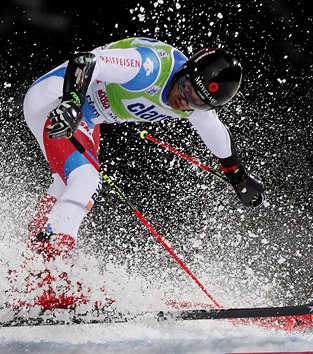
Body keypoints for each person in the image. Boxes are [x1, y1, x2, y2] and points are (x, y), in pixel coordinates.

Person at [19, 37, 264, 310]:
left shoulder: (193, 101)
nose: (183, 101)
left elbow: (213, 131)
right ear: (185, 70)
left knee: (65, 186)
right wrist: (71, 102)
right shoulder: (149, 67)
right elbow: (85, 60)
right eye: (186, 88)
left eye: (197, 103)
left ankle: (29, 274)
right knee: (86, 180)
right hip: (54, 99)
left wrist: (239, 178)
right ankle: (49, 278)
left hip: (86, 120)